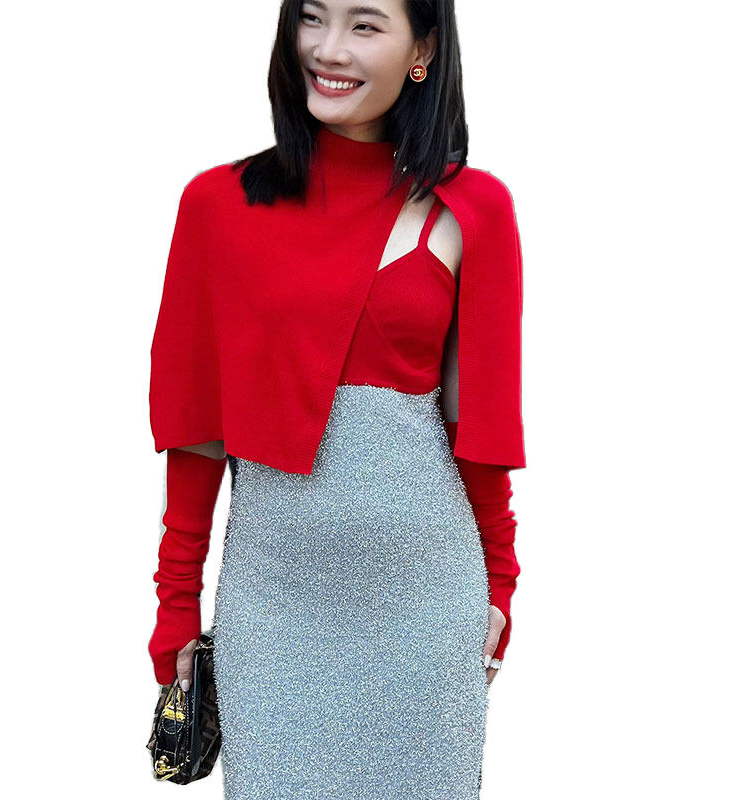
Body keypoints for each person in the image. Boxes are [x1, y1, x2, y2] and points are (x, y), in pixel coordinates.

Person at [148, 1, 526, 796]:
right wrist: (176, 601)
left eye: (364, 24)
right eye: (313, 18)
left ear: (424, 48)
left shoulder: (474, 209)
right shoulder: (217, 204)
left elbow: (479, 423)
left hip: (426, 605)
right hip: (272, 606)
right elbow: (196, 426)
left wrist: (501, 581)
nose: (328, 49)